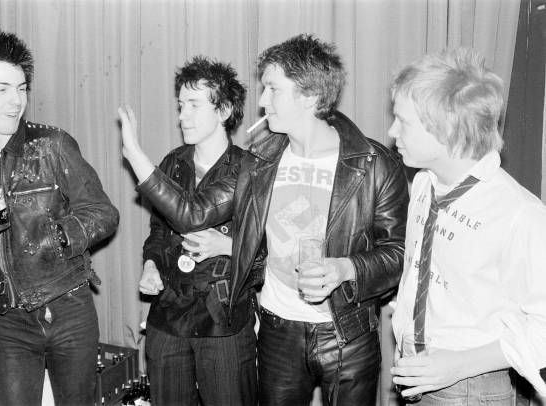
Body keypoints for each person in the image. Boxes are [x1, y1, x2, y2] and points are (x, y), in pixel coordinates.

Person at [121, 34, 408, 406]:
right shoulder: (260, 161)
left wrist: (345, 268)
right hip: (276, 330)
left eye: (273, 89)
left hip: (346, 335)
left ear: (308, 96)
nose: (261, 101)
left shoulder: (373, 163)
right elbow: (192, 214)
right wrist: (137, 157)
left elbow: (399, 254)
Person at [0, 30, 119, 405]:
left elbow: (104, 213)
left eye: (21, 88)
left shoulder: (51, 145)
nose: (16, 101)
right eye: (2, 89)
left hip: (69, 310)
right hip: (8, 321)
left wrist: (56, 237)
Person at [389, 48, 546, 404]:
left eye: (404, 121)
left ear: (446, 128)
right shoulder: (424, 184)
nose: (392, 130)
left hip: (471, 390)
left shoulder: (519, 214)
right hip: (415, 374)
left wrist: (458, 365)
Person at [120, 56, 264, 406]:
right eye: (181, 105)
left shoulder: (249, 170)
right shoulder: (174, 162)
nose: (182, 115)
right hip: (168, 318)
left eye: (194, 105)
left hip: (223, 323)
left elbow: (193, 217)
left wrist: (229, 245)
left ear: (224, 110)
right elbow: (159, 231)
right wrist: (151, 265)